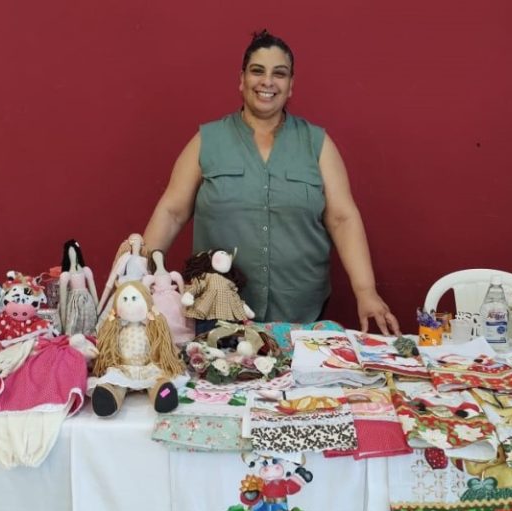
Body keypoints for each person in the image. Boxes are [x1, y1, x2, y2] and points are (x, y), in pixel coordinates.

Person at [143, 30, 399, 335]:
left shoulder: (316, 143)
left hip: (302, 316)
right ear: (241, 80)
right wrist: (136, 278)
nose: (268, 81)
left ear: (290, 85)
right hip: (218, 316)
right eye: (257, 71)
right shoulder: (207, 140)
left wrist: (366, 291)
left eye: (279, 73)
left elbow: (343, 219)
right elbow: (171, 212)